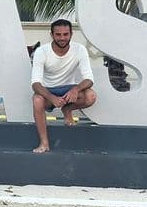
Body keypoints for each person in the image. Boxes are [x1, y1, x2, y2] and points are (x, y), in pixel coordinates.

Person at [30, 19, 97, 153]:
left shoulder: (80, 49)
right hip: (48, 91)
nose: (62, 38)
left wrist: (76, 89)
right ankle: (44, 143)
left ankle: (67, 110)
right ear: (52, 35)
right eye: (58, 34)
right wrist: (52, 97)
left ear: (71, 34)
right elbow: (35, 84)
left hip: (69, 89)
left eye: (65, 34)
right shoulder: (42, 51)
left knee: (90, 96)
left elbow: (89, 79)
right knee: (37, 100)